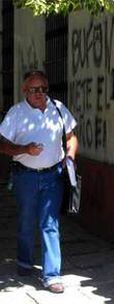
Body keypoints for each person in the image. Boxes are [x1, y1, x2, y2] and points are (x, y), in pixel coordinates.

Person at [0, 70, 78, 293]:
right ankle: (24, 262)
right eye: (34, 90)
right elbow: (2, 144)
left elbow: (71, 137)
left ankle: (52, 275)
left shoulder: (58, 108)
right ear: (25, 90)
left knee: (50, 223)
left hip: (53, 176)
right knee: (26, 222)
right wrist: (24, 149)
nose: (40, 94)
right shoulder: (16, 113)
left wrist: (69, 157)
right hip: (25, 176)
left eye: (44, 89)